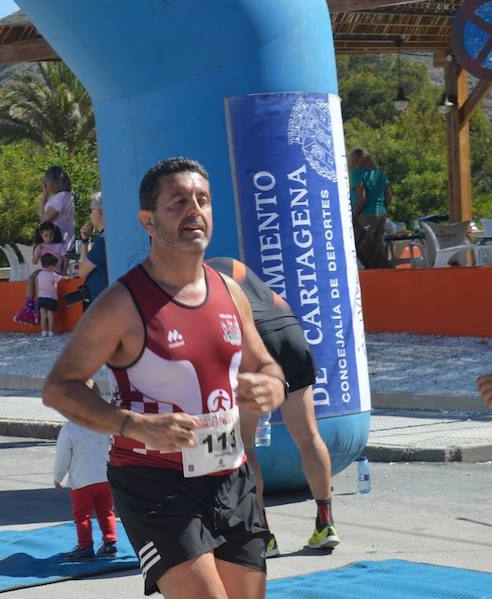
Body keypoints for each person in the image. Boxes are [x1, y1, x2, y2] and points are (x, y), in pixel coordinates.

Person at [43, 157, 287, 598]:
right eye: (178, 202)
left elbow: (266, 366)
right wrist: (131, 424)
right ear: (148, 221)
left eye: (203, 200)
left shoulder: (231, 292)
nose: (194, 210)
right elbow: (59, 386)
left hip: (231, 475)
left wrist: (272, 385)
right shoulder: (123, 303)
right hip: (154, 481)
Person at [208, 257, 338, 557]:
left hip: (257, 340)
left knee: (244, 445)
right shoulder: (233, 264)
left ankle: (263, 535)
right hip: (290, 332)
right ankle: (326, 523)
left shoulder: (202, 278)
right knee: (308, 435)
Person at [53, 420, 119, 560]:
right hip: (104, 477)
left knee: (82, 515)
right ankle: (110, 544)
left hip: (81, 480)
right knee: (107, 511)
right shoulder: (103, 424)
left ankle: (85, 546)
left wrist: (58, 477)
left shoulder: (70, 428)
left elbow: (62, 455)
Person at [348, 148, 392, 249]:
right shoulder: (379, 174)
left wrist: (354, 216)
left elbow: (362, 198)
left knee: (364, 249)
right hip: (381, 214)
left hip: (366, 214)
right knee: (378, 250)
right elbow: (388, 195)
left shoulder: (357, 174)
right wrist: (382, 207)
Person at [77, 191, 108, 309]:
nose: (90, 215)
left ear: (99, 213)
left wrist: (84, 243)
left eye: (91, 211)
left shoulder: (103, 240)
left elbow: (82, 272)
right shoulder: (105, 237)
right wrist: (85, 241)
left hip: (102, 305)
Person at [39, 166, 76, 249]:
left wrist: (44, 195)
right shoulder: (65, 196)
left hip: (57, 244)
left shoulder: (61, 197)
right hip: (60, 243)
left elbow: (44, 221)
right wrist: (45, 195)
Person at [36, 253, 65, 337]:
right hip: (50, 298)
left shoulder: (40, 274)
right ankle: (51, 332)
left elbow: (37, 285)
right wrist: (69, 277)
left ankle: (43, 332)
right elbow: (62, 278)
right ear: (51, 266)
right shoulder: (53, 275)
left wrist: (38, 296)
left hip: (41, 298)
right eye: (55, 266)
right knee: (50, 315)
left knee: (43, 315)